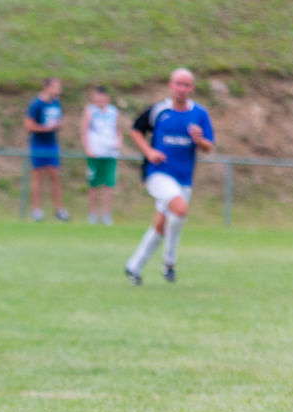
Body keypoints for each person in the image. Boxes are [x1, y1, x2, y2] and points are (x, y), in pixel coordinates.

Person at [124, 68, 214, 285]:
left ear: (192, 88)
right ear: (170, 85)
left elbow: (208, 146)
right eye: (178, 84)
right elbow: (135, 130)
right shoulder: (159, 111)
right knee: (180, 209)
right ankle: (169, 261)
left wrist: (199, 140)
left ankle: (134, 266)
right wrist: (149, 152)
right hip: (158, 174)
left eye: (186, 85)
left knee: (161, 225)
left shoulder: (199, 114)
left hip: (183, 178)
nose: (182, 89)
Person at [24, 77, 69, 222]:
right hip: (38, 144)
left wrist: (58, 126)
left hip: (52, 144)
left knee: (55, 176)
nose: (58, 90)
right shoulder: (36, 104)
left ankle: (59, 210)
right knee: (37, 177)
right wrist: (46, 129)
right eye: (56, 87)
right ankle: (37, 210)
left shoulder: (56, 103)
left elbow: (59, 121)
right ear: (47, 87)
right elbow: (29, 125)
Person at [81, 85, 121, 225]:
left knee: (109, 184)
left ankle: (106, 215)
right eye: (97, 99)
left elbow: (117, 130)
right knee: (93, 184)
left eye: (103, 99)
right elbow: (84, 131)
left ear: (107, 99)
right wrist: (88, 148)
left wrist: (118, 143)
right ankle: (92, 214)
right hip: (95, 153)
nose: (100, 102)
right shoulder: (90, 111)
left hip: (110, 153)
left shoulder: (113, 111)